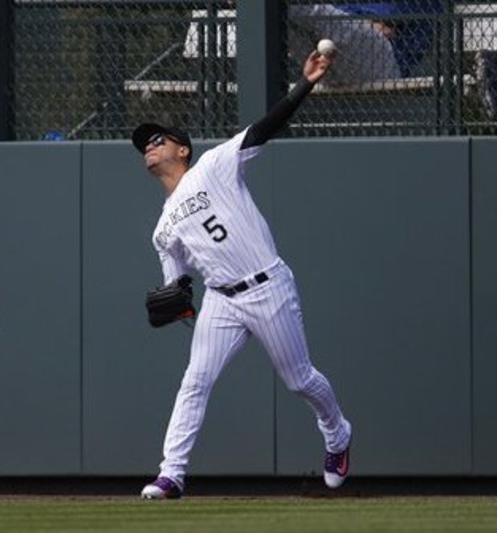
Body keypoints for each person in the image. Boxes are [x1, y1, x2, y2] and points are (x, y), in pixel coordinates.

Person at [132, 49, 352, 500]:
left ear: (182, 149)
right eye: (144, 144)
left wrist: (306, 83)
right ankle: (171, 474)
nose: (150, 145)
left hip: (267, 284)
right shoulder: (162, 229)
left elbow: (265, 128)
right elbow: (177, 290)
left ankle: (338, 433)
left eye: (158, 139)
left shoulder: (214, 165)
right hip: (222, 300)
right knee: (195, 380)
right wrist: (179, 305)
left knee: (299, 380)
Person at [288, 2, 443, 86]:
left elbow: (384, 20)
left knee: (314, 11)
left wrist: (361, 19)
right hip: (324, 67)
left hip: (386, 65)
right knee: (279, 18)